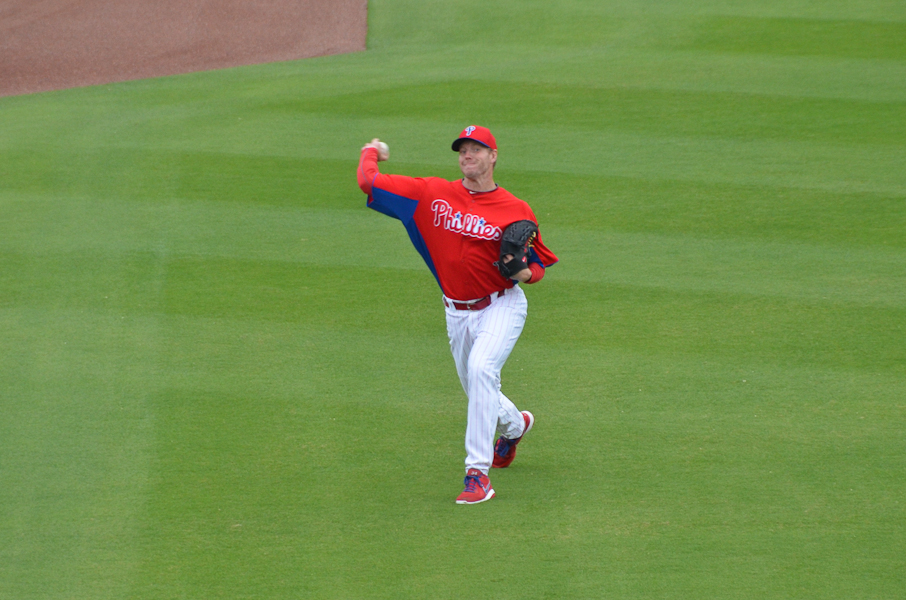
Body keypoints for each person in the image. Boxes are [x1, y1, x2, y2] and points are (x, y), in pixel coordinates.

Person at [357, 125, 558, 504]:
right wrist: (371, 151)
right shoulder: (430, 193)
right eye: (462, 150)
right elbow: (369, 182)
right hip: (456, 313)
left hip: (501, 304)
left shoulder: (516, 209)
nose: (467, 155)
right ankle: (515, 427)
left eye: (476, 149)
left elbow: (538, 266)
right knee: (478, 389)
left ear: (493, 156)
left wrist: (525, 273)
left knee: (482, 371)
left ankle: (476, 476)